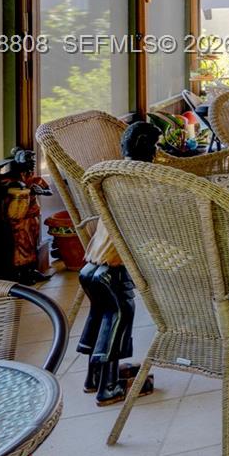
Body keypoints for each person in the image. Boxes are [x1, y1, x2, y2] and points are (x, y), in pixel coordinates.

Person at [74, 121, 158, 405]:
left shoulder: (111, 174)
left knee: (100, 315)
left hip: (90, 266)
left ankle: (92, 377)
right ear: (149, 149)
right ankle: (108, 387)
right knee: (118, 321)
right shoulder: (142, 181)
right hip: (114, 269)